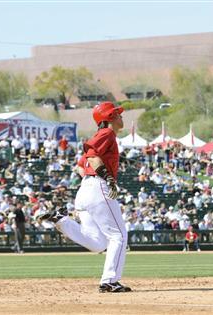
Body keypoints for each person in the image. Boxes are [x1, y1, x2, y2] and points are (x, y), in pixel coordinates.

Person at [37, 101, 131, 293]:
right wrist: (107, 179)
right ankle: (110, 281)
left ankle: (61, 220)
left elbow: (81, 166)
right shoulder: (107, 133)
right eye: (117, 114)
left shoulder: (102, 135)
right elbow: (92, 155)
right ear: (109, 118)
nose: (121, 116)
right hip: (98, 186)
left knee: (97, 243)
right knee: (119, 236)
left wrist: (93, 181)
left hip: (86, 189)